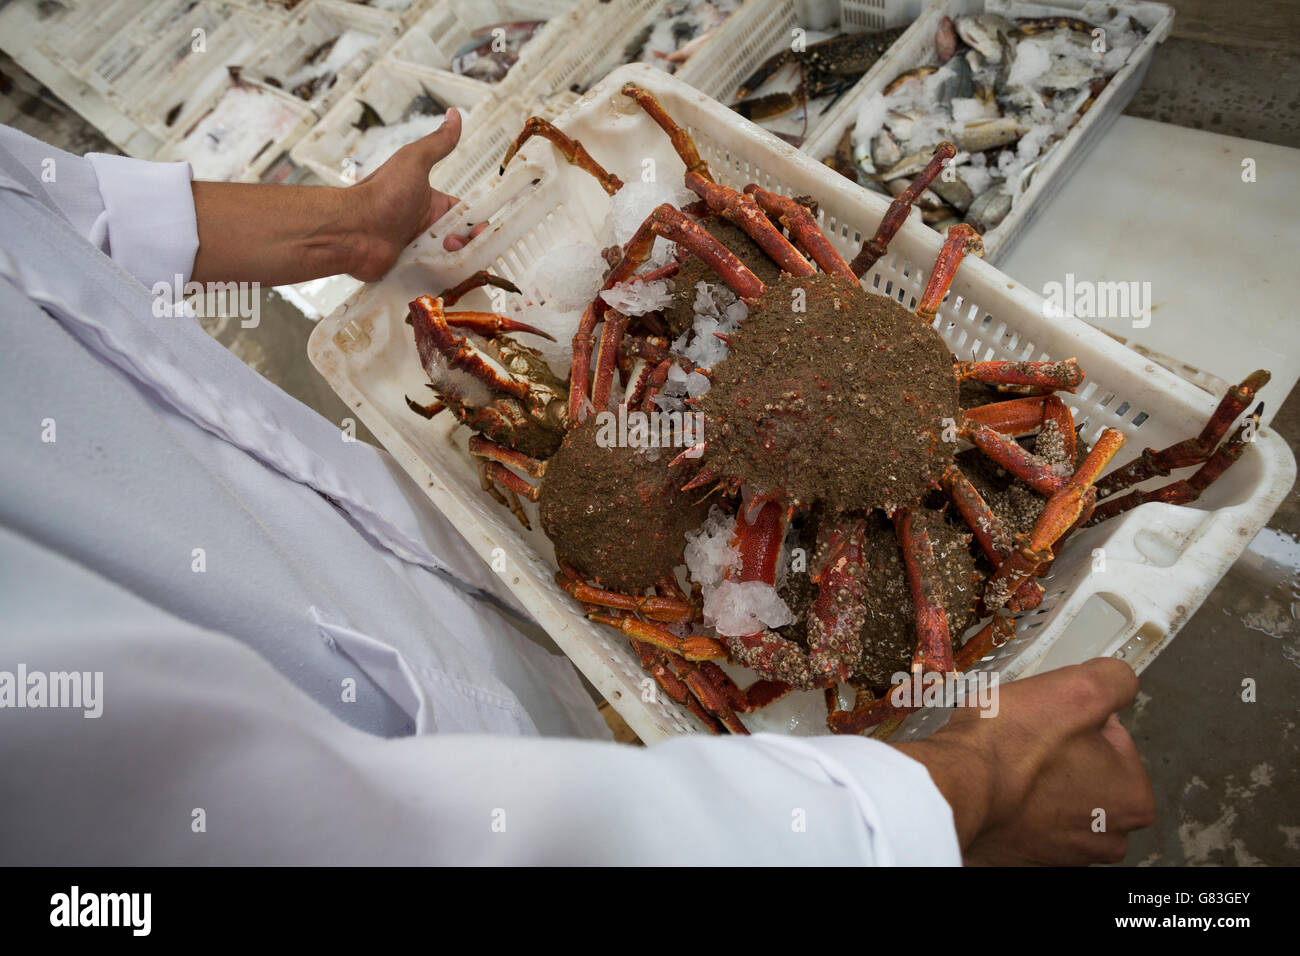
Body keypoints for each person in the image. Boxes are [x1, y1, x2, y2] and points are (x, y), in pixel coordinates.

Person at [0, 112, 1155, 865]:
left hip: (418, 551)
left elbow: (43, 201)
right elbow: (354, 832)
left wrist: (340, 225)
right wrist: (956, 795)